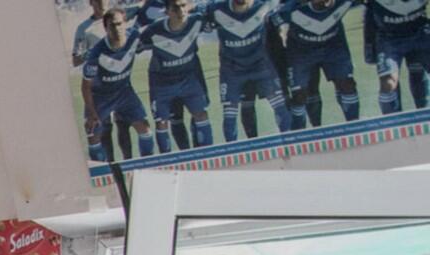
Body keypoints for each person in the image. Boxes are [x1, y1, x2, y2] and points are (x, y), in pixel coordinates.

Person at [207, 0, 296, 140]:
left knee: (279, 104)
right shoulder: (215, 9)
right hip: (232, 70)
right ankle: (235, 152)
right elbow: (193, 10)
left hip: (261, 65)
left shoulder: (265, 5)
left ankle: (289, 143)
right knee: (231, 113)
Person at [84, 6, 159, 159]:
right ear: (105, 28)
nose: (117, 28)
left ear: (125, 24)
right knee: (93, 137)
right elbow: (86, 85)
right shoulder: (96, 54)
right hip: (101, 97)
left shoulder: (134, 37)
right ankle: (103, 175)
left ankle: (146, 167)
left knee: (146, 131)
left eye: (119, 24)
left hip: (124, 92)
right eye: (112, 25)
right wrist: (91, 113)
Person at [141, 0, 217, 150]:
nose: (181, 10)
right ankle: (175, 158)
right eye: (176, 7)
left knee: (201, 114)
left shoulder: (197, 21)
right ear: (167, 11)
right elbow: (130, 47)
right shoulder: (153, 31)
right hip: (163, 83)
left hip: (190, 79)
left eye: (183, 5)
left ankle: (206, 154)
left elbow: (218, 10)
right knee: (164, 122)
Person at [280, 0, 361, 127]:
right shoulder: (290, 9)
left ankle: (355, 126)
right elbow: (270, 18)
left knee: (347, 84)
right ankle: (305, 133)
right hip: (301, 52)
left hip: (333, 46)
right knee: (300, 95)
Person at [365, 0, 430, 113]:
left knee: (417, 70)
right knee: (388, 83)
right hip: (389, 38)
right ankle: (392, 122)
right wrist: (369, 44)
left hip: (420, 32)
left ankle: (424, 114)